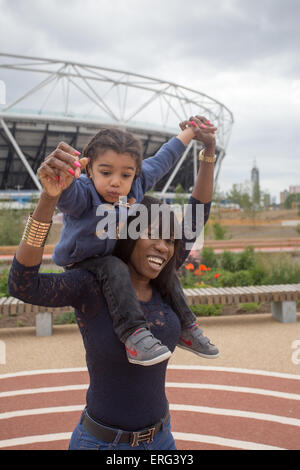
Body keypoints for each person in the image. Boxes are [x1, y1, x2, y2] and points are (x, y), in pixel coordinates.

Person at [8, 115, 216, 450]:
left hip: (161, 441)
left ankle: (188, 329)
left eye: (169, 239)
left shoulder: (163, 273)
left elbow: (198, 211)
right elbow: (21, 286)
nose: (163, 246)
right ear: (129, 232)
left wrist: (206, 149)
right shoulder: (91, 282)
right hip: (100, 443)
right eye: (151, 233)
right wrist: (48, 199)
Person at [41, 122, 218, 366]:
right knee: (114, 267)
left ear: (135, 172)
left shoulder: (137, 184)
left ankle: (187, 327)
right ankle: (134, 335)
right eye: (106, 173)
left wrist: (191, 134)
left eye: (125, 174)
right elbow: (65, 196)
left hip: (112, 255)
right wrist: (62, 182)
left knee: (164, 272)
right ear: (89, 168)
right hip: (81, 261)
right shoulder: (83, 192)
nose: (116, 182)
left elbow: (165, 158)